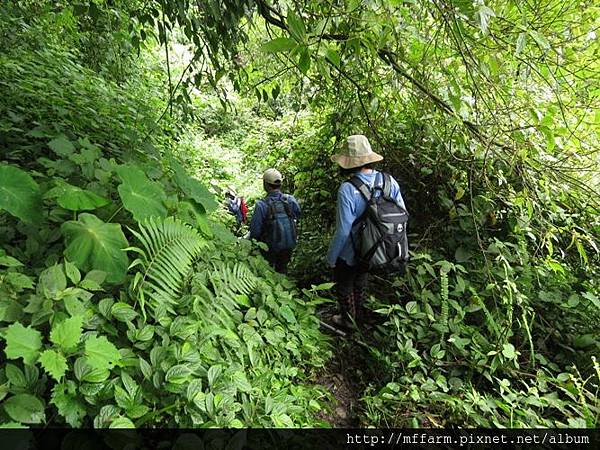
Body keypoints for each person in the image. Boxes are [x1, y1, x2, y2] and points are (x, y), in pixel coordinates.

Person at [327, 135, 408, 328]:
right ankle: (358, 315)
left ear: (347, 163)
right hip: (376, 248)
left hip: (350, 250)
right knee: (361, 278)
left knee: (344, 283)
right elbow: (404, 215)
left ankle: (348, 321)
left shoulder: (347, 189)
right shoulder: (389, 181)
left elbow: (344, 230)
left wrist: (331, 257)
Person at [249, 169, 301, 274]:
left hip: (269, 248)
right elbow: (298, 214)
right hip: (288, 244)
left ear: (266, 185)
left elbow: (255, 231)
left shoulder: (261, 205)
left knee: (268, 272)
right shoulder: (290, 200)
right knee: (282, 269)